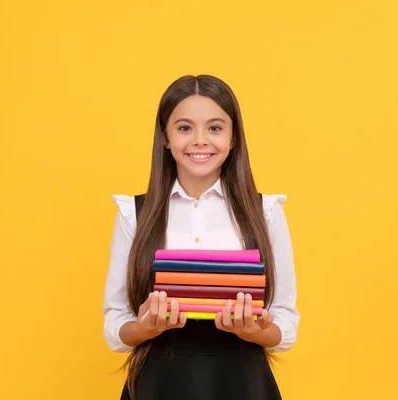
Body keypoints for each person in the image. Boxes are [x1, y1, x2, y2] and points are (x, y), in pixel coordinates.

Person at [102, 74, 300, 400]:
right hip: (158, 384)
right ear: (165, 137)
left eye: (215, 128)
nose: (199, 140)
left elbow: (285, 321)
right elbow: (116, 322)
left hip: (244, 385)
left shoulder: (266, 212)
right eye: (184, 128)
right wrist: (145, 328)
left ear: (234, 137)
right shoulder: (133, 214)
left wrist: (255, 331)